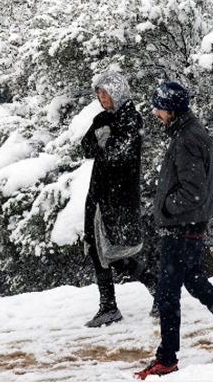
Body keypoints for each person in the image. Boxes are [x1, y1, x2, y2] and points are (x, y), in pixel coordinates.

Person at [135, 81, 213, 379]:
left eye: (159, 107)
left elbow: (193, 190)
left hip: (181, 227)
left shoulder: (187, 138)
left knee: (167, 295)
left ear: (171, 108)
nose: (155, 112)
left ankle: (166, 359)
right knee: (197, 284)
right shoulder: (188, 133)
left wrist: (165, 207)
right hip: (188, 225)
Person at [80, 71, 157, 328]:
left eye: (106, 92)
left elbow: (116, 153)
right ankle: (109, 306)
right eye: (99, 93)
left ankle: (157, 288)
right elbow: (86, 147)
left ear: (118, 92)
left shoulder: (131, 118)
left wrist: (104, 138)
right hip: (98, 194)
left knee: (114, 251)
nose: (102, 97)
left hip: (119, 196)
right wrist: (102, 136)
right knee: (97, 249)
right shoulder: (102, 118)